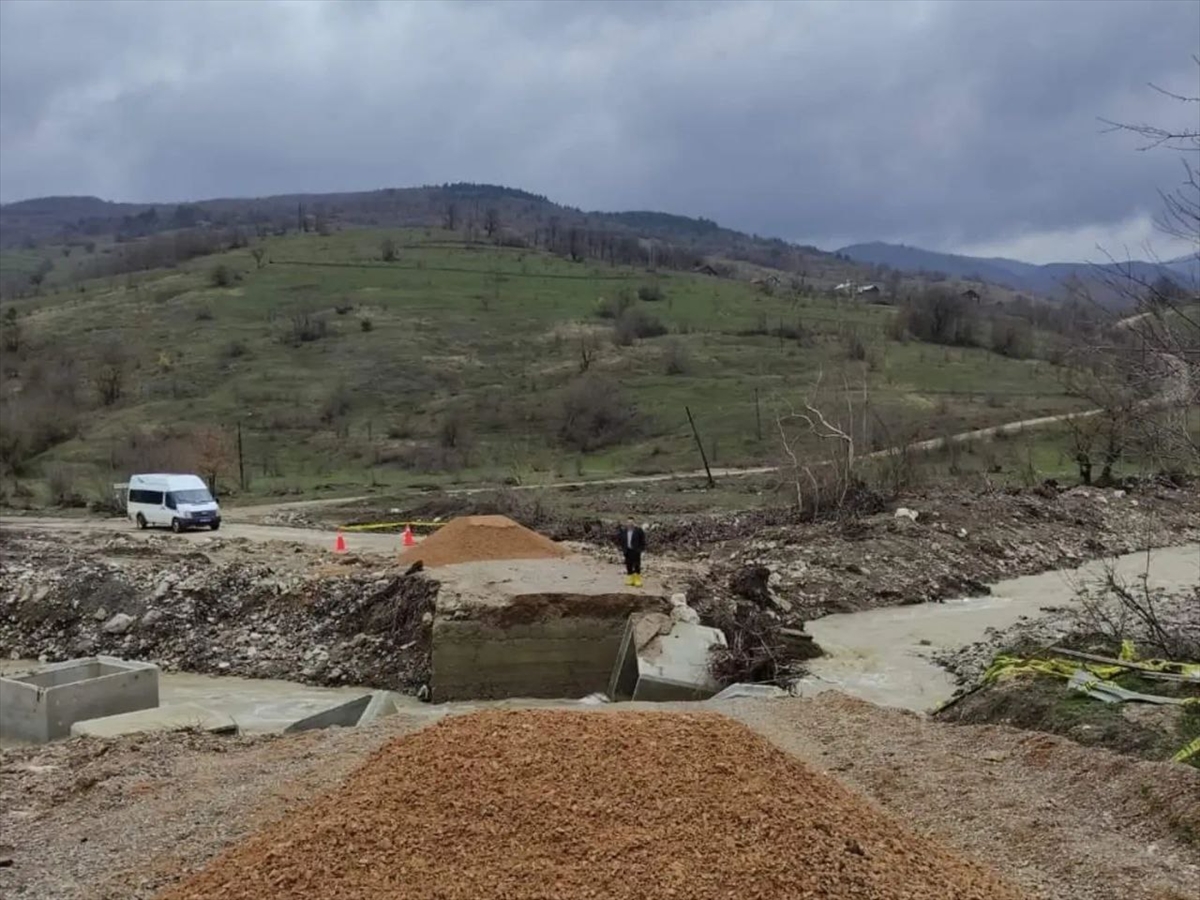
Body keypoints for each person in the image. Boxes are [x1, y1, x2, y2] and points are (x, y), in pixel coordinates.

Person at [615, 520, 646, 587]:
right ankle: (630, 578)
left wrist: (641, 549)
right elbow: (620, 539)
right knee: (628, 564)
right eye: (628, 522)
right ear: (626, 524)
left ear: (634, 523)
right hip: (627, 550)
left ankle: (637, 579)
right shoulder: (624, 531)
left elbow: (642, 540)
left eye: (631, 523)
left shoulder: (638, 531)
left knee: (637, 564)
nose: (630, 524)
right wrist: (622, 548)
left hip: (636, 550)